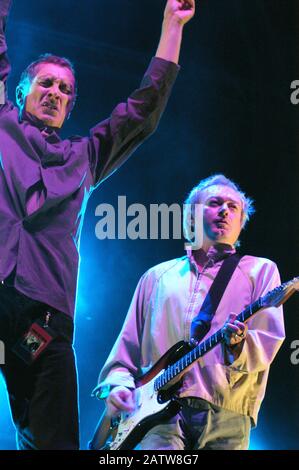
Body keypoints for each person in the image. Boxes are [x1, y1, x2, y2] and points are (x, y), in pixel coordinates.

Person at [0, 0, 196, 450]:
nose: (54, 92)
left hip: (41, 321)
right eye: (45, 83)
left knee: (51, 435)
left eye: (65, 89)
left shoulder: (85, 157)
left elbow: (142, 113)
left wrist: (171, 25)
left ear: (70, 107)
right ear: (20, 91)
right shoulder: (3, 125)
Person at [96, 174, 285, 450]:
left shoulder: (261, 271)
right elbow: (124, 355)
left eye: (233, 207)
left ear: (241, 223)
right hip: (155, 418)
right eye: (215, 203)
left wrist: (238, 345)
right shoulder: (157, 277)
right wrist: (119, 386)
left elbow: (269, 341)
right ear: (191, 217)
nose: (224, 211)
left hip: (227, 416)